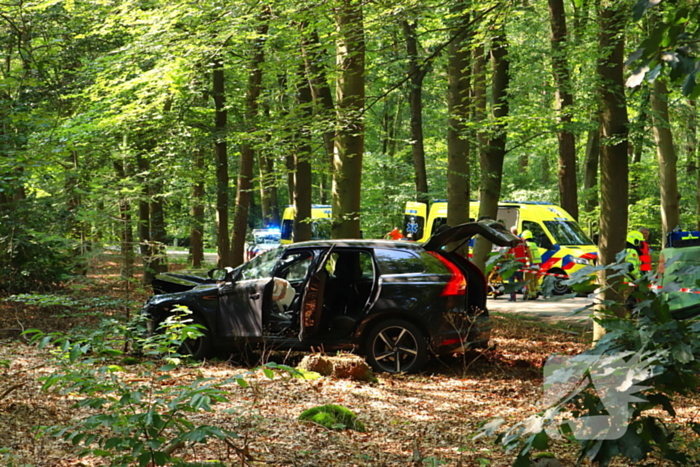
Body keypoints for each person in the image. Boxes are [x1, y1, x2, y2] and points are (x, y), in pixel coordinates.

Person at [506, 227, 531, 301]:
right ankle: (524, 289)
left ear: (511, 232)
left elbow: (506, 252)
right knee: (520, 278)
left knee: (511, 280)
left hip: (512, 263)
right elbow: (528, 251)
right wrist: (530, 260)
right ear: (517, 232)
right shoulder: (522, 240)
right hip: (521, 263)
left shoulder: (509, 240)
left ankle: (513, 297)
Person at [521, 230, 542, 300]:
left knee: (528, 281)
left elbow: (528, 254)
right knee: (535, 280)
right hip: (537, 265)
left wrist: (529, 263)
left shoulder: (527, 245)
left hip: (530, 265)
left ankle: (532, 295)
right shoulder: (534, 244)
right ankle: (536, 292)